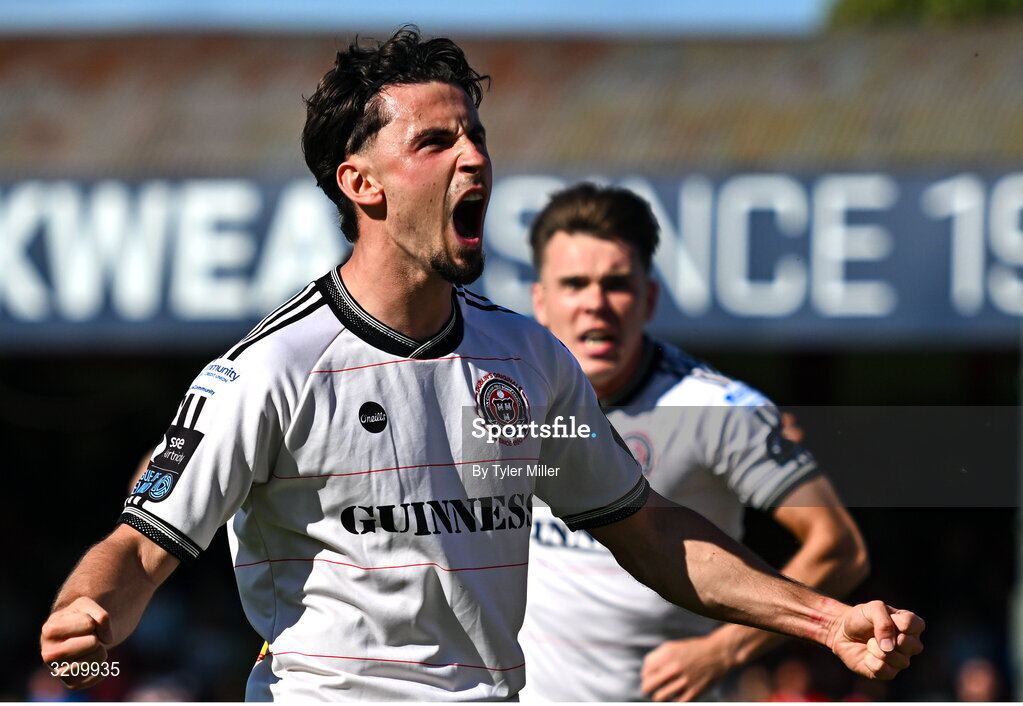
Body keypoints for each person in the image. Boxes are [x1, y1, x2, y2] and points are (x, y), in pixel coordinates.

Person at [39, 27, 922, 701]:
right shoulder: (269, 372)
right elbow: (136, 547)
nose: (475, 157)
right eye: (435, 143)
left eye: (477, 135)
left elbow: (645, 529)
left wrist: (825, 619)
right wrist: (92, 615)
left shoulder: (527, 358)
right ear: (362, 185)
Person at [519, 183, 872, 701]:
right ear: (541, 301)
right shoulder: (502, 393)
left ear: (650, 297)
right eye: (575, 284)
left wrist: (723, 651)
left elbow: (840, 548)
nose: (597, 304)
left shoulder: (722, 410)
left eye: (616, 283)